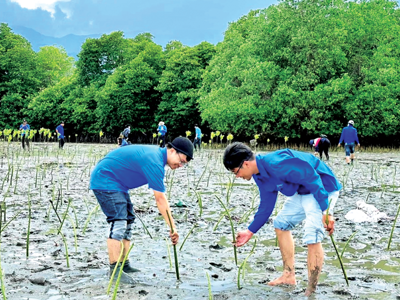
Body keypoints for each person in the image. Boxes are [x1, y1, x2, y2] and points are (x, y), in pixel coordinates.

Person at [223, 143, 342, 297]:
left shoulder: (276, 163)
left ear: (245, 164)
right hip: (302, 190)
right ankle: (288, 276)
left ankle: (310, 292)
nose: (237, 176)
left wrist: (326, 211)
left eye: (235, 172)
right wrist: (250, 231)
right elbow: (266, 205)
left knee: (312, 234)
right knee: (280, 224)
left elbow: (312, 176)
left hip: (322, 187)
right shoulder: (260, 175)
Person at [90, 137, 194, 284]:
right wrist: (172, 228)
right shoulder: (154, 160)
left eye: (184, 164)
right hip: (105, 179)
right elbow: (160, 200)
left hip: (118, 184)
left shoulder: (158, 158)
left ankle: (124, 265)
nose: (180, 165)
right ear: (172, 150)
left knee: (129, 221)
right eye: (182, 161)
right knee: (119, 222)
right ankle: (115, 271)